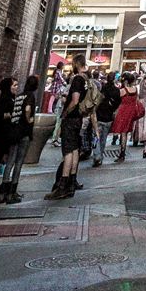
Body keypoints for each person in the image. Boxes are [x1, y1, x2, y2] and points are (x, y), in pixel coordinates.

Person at [0, 74, 38, 205]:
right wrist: (29, 119)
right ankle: (12, 192)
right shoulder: (31, 96)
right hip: (24, 132)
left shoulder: (19, 95)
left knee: (10, 161)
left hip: (14, 132)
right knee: (19, 162)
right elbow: (27, 109)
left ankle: (3, 192)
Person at [47, 69, 87, 198]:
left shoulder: (77, 80)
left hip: (71, 120)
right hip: (78, 119)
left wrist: (65, 113)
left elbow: (75, 101)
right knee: (74, 149)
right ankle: (72, 181)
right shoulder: (86, 81)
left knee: (68, 151)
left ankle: (63, 185)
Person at [111, 79, 143, 160]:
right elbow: (137, 99)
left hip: (123, 111)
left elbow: (116, 100)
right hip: (131, 111)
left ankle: (122, 152)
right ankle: (122, 151)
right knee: (125, 131)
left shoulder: (123, 90)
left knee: (123, 132)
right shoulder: (135, 89)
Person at [93, 70, 120, 164]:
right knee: (103, 138)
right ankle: (100, 155)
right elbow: (117, 104)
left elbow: (98, 100)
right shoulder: (117, 91)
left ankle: (96, 155)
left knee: (96, 136)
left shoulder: (102, 88)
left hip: (99, 115)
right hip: (108, 117)